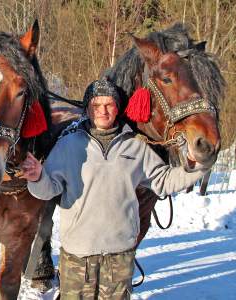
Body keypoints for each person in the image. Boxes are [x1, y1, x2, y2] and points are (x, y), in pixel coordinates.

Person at [20, 78, 207, 299]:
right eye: (96, 105)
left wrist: (199, 165)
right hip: (78, 256)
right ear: (88, 109)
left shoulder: (136, 146)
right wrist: (37, 177)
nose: (103, 111)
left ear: (117, 108)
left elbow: (164, 181)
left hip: (119, 257)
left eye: (109, 104)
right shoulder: (68, 145)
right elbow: (47, 190)